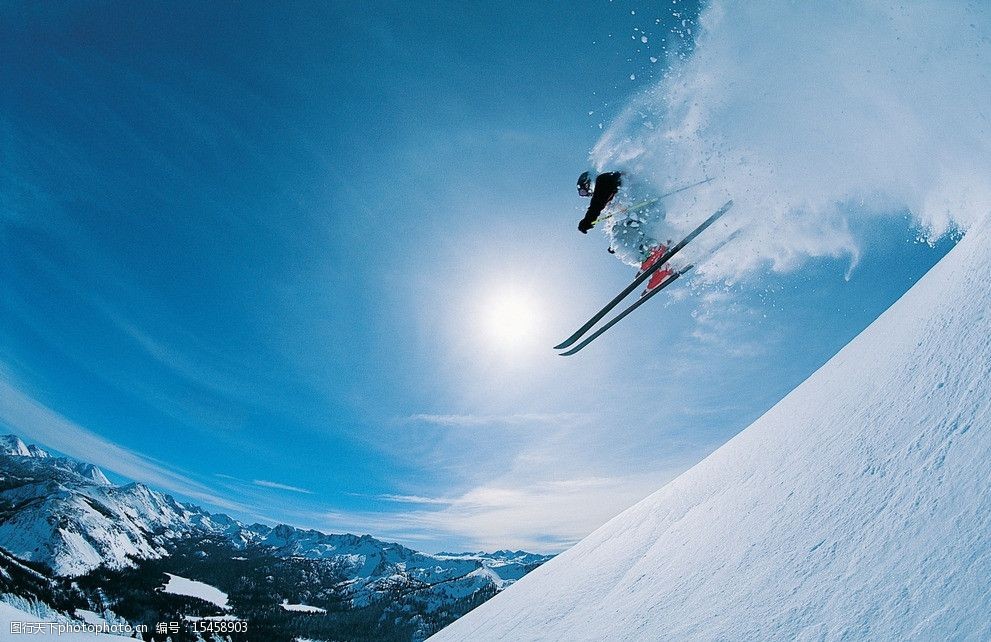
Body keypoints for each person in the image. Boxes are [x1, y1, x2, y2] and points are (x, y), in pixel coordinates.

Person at [576, 169, 674, 292]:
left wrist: (588, 220)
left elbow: (597, 202)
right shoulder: (614, 192)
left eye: (585, 191)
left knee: (621, 236)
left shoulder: (603, 180)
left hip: (647, 207)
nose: (588, 194)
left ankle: (653, 251)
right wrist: (616, 246)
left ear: (588, 182)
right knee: (620, 239)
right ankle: (662, 267)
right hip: (649, 212)